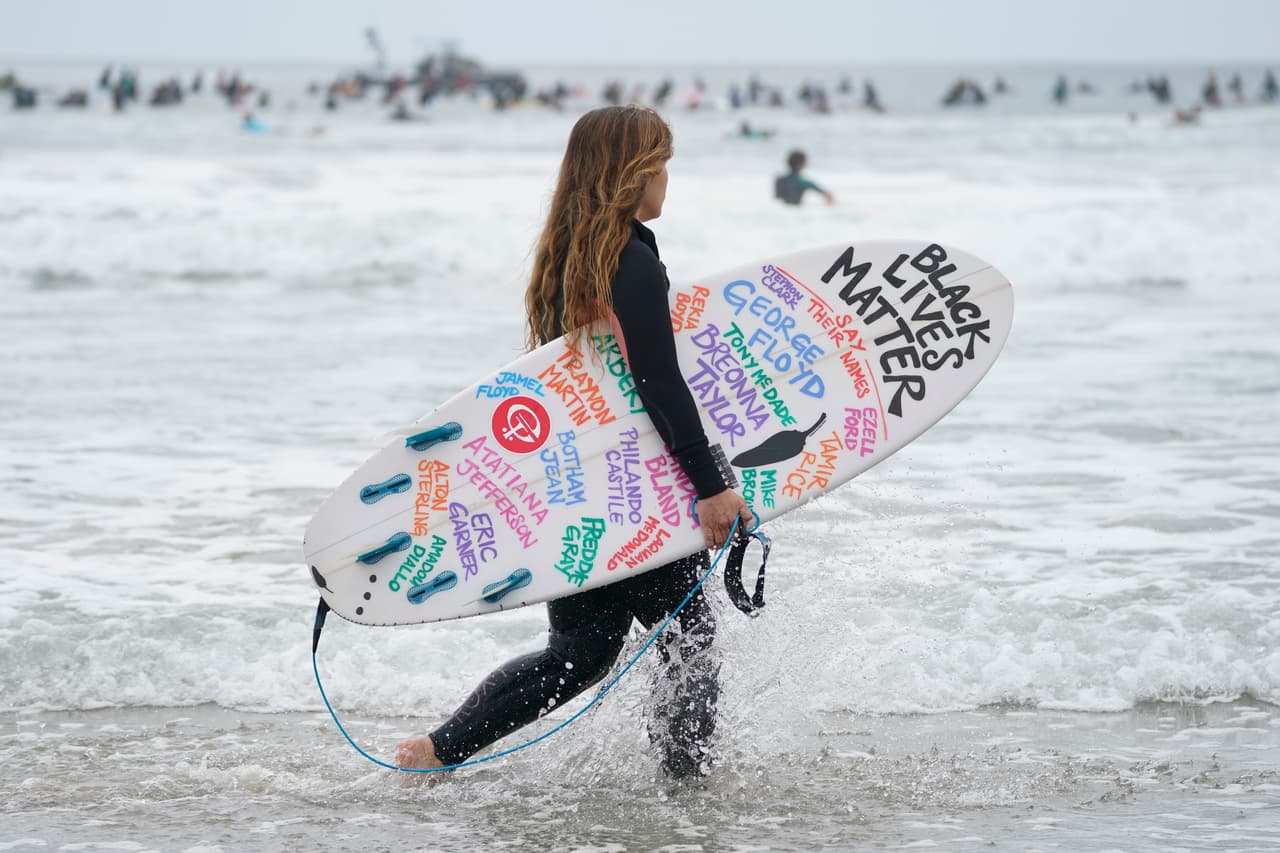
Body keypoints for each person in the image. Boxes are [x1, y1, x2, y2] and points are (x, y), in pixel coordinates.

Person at [395, 105, 752, 782]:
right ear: (630, 172)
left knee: (581, 652)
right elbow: (656, 382)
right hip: (630, 489)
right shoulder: (631, 260)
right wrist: (711, 487)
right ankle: (687, 790)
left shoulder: (572, 255)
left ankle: (438, 750)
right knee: (691, 641)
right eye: (660, 162)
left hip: (580, 483)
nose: (667, 178)